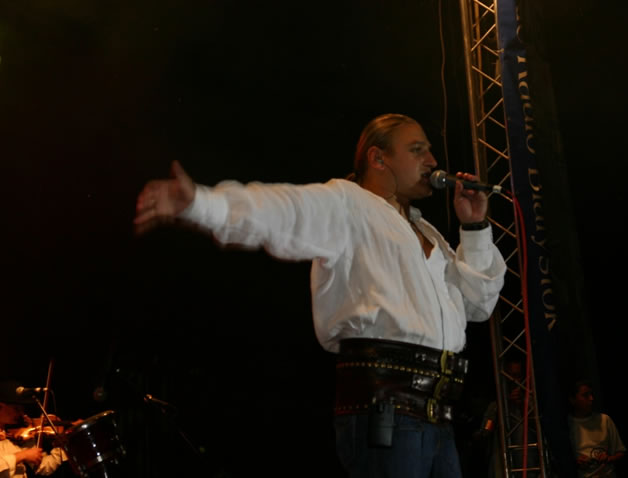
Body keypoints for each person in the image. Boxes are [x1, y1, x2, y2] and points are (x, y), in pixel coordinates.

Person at [134, 113, 507, 477]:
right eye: (417, 149)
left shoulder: (426, 231)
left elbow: (477, 305)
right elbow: (285, 212)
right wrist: (201, 204)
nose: (433, 161)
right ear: (379, 158)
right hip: (387, 414)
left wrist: (474, 227)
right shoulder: (349, 204)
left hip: (437, 420)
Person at [0, 379, 67, 478]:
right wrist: (22, 455)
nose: (21, 414)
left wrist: (61, 447)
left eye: (22, 409)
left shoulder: (17, 438)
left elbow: (43, 467)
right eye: (16, 409)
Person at [567, 380, 626, 478]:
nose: (591, 398)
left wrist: (608, 458)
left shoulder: (604, 420)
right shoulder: (567, 425)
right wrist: (577, 462)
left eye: (591, 394)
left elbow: (620, 451)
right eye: (585, 395)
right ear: (572, 400)